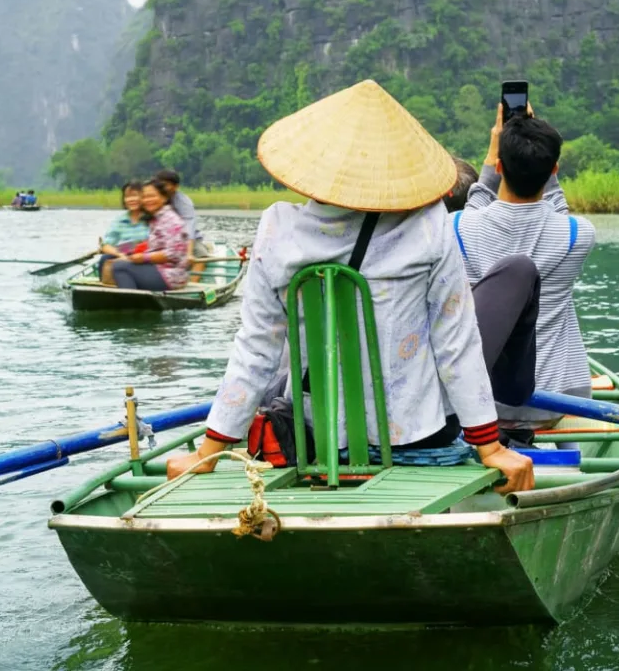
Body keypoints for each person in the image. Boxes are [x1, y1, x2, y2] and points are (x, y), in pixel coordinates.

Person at [166, 80, 533, 494]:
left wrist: (207, 453)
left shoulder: (278, 229)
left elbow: (256, 349)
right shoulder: (430, 225)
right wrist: (489, 447)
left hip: (316, 441)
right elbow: (456, 342)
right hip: (418, 440)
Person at [456, 104, 595, 444]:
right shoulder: (579, 235)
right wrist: (543, 158)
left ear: (500, 166)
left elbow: (476, 201)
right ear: (554, 171)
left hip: (483, 405)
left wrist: (493, 154)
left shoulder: (458, 227)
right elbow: (558, 212)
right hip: (551, 404)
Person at [108, 180, 190, 291]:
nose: (147, 201)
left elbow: (173, 254)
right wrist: (122, 251)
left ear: (164, 198)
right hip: (157, 268)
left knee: (119, 267)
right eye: (145, 197)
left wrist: (143, 258)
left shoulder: (170, 220)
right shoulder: (156, 219)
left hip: (171, 276)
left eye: (152, 196)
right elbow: (150, 246)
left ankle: (130, 301)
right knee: (108, 259)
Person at [97, 181, 151, 284]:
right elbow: (105, 245)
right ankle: (105, 286)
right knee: (105, 258)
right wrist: (121, 255)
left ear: (143, 197)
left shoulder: (151, 217)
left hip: (147, 256)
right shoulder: (120, 220)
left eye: (135, 195)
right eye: (127, 196)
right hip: (125, 253)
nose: (131, 200)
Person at [153, 170, 207, 258]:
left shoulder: (184, 203)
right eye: (159, 185)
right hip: (159, 237)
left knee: (201, 254)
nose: (161, 188)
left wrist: (189, 254)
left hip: (183, 238)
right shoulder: (151, 198)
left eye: (165, 185)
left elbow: (189, 228)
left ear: (175, 186)